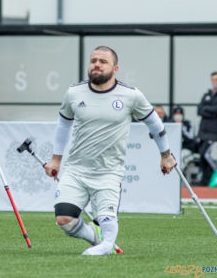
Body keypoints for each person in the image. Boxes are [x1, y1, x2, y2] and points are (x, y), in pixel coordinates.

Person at [44, 46, 176, 255]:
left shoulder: (131, 95)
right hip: (76, 169)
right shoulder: (74, 92)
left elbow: (155, 124)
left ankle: (106, 245)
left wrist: (166, 155)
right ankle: (98, 239)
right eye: (93, 60)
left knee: (106, 220)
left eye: (103, 61)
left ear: (115, 69)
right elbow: (63, 125)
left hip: (108, 172)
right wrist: (55, 159)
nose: (97, 64)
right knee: (64, 219)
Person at [196, 71, 217, 186]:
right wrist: (211, 112)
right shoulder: (206, 94)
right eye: (213, 79)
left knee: (206, 154)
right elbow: (199, 110)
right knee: (202, 155)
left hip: (214, 132)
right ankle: (205, 180)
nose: (215, 82)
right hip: (203, 131)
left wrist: (206, 110)